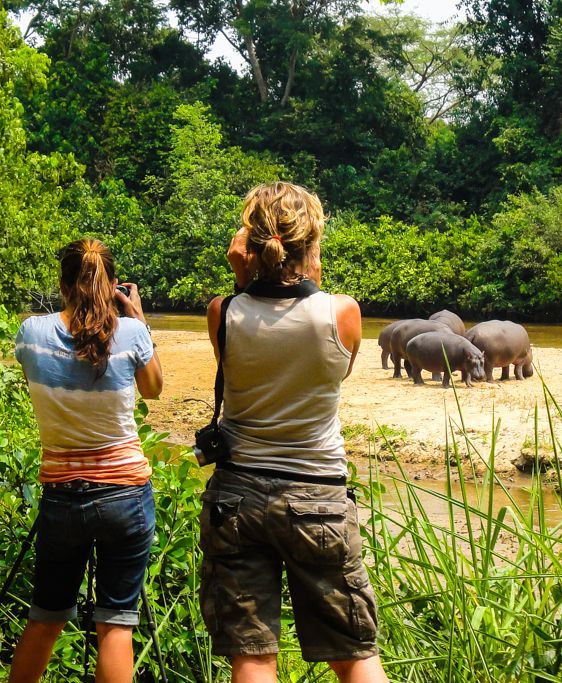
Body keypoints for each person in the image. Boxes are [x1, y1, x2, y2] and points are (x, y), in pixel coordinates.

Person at [200, 182, 390, 683]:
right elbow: (338, 371)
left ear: (249, 243)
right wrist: (313, 275)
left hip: (237, 497)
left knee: (253, 655)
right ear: (311, 245)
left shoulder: (224, 312)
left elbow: (236, 359)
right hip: (319, 497)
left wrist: (243, 279)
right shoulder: (341, 312)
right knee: (353, 653)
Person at [8, 239, 163, 683]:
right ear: (114, 285)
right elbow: (153, 389)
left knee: (45, 618)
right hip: (126, 495)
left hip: (62, 495)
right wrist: (137, 318)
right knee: (115, 625)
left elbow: (44, 374)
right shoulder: (132, 335)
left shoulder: (32, 333)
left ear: (62, 284)